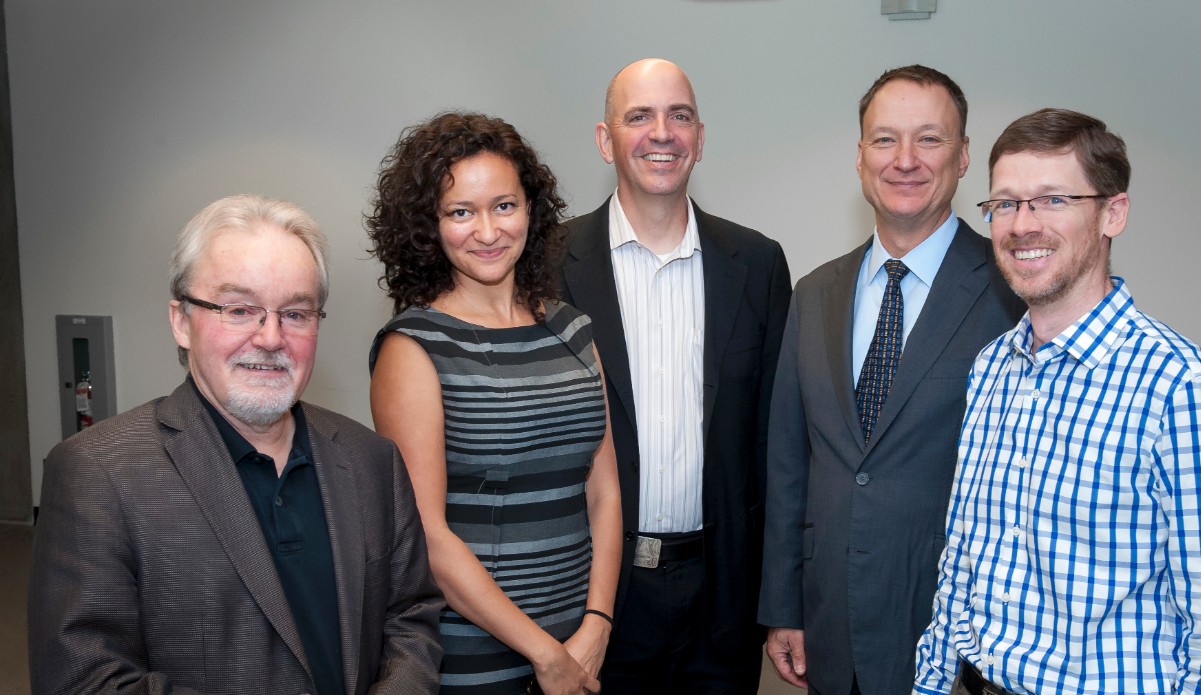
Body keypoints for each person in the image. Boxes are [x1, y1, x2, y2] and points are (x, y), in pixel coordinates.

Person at [913, 107, 1201, 695]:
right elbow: (964, 562)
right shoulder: (991, 369)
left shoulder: (1183, 390)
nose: (1022, 224)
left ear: (1113, 213)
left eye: (1053, 200)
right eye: (1005, 202)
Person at [28, 194, 445, 694]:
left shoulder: (373, 460)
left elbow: (411, 618)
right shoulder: (98, 473)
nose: (270, 338)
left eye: (296, 313)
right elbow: (85, 680)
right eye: (239, 309)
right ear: (181, 321)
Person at [758, 65, 1024, 695]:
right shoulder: (814, 293)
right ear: (859, 158)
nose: (905, 160)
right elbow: (789, 465)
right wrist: (783, 606)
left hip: (961, 634)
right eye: (885, 140)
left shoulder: (1013, 293)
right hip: (830, 621)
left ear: (962, 159)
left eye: (929, 140)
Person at [366, 111, 622, 695]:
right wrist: (543, 653)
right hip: (474, 653)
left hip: (581, 644)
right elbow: (428, 535)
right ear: (428, 225)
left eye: (504, 206)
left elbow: (604, 491)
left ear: (531, 209)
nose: (487, 231)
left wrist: (598, 625)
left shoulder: (572, 329)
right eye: (461, 212)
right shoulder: (413, 346)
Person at [557, 58, 792, 693]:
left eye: (678, 115)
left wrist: (781, 599)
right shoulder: (547, 268)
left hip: (722, 598)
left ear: (700, 137)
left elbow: (776, 443)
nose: (662, 132)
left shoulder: (758, 264)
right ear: (606, 140)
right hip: (591, 599)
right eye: (640, 116)